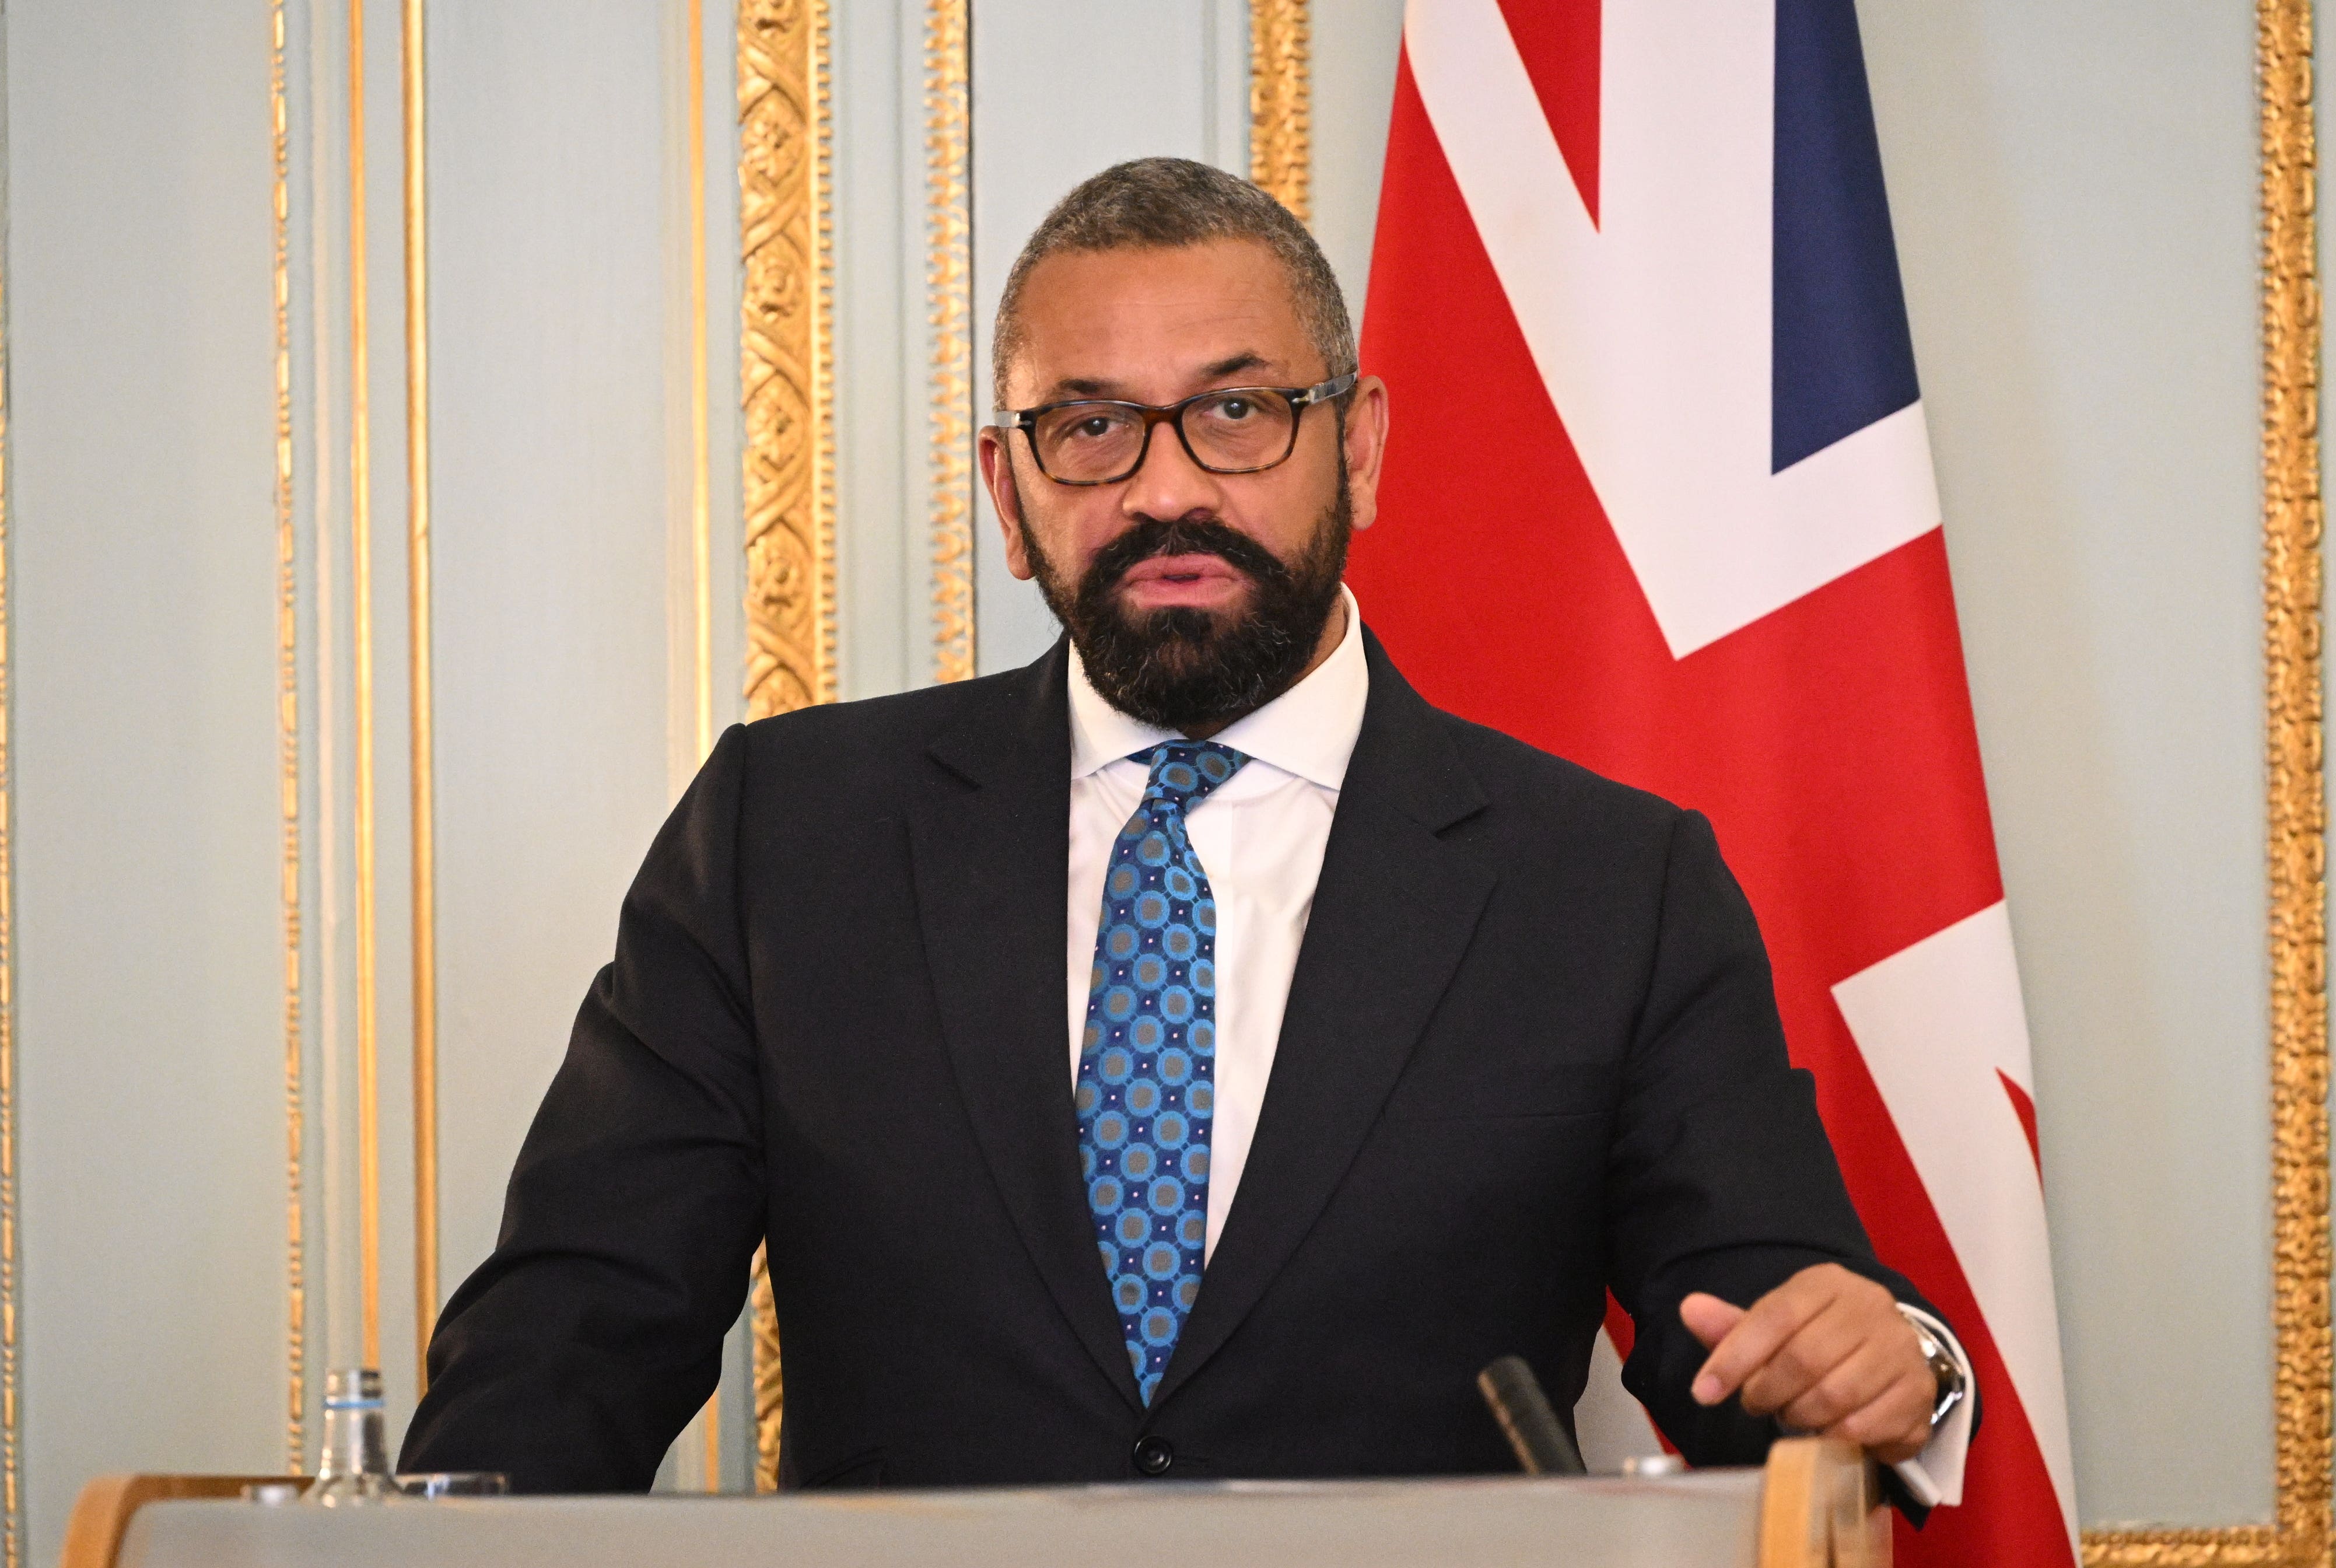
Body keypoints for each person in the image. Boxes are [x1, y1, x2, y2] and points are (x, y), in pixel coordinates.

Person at [402, 157, 1972, 1510]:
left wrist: (1888, 1360)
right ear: (1007, 492)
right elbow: (572, 1338)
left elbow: (1764, 1342)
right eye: (1089, 429)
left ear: (1356, 445)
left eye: (1235, 411)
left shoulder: (1608, 885)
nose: (1164, 491)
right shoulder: (785, 838)